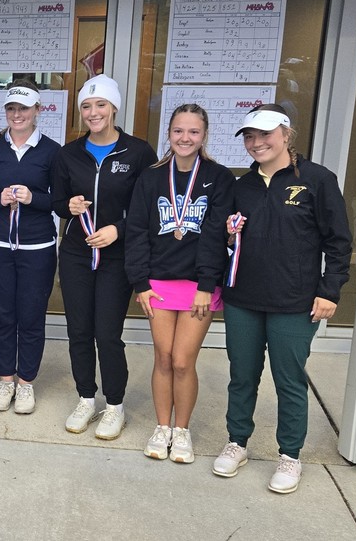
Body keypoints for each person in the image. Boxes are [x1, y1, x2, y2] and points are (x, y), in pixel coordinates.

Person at [212, 104, 351, 494]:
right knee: (242, 376)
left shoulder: (318, 180)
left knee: (289, 380)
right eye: (250, 137)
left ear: (286, 134)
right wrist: (228, 235)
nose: (256, 143)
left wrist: (329, 290)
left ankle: (290, 455)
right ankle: (237, 442)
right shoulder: (242, 186)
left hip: (295, 301)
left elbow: (338, 242)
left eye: (265, 135)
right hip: (244, 298)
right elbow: (231, 239)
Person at [124, 103, 234, 462]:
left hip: (198, 285)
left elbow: (216, 235)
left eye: (193, 132)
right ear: (168, 134)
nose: (185, 138)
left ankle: (182, 430)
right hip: (157, 282)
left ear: (204, 136)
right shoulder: (152, 177)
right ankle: (162, 427)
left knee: (184, 360)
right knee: (164, 357)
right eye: (178, 131)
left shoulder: (219, 178)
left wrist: (206, 284)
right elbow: (137, 231)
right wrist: (140, 282)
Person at [51, 73, 157, 439]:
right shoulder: (69, 153)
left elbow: (149, 207)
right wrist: (68, 204)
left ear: (114, 108)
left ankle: (115, 404)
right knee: (79, 330)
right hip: (77, 254)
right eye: (86, 106)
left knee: (107, 333)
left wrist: (118, 230)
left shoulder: (139, 152)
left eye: (100, 105)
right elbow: (56, 201)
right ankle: (86, 397)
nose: (93, 112)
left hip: (116, 257)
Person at [0, 81, 61, 415]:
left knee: (30, 315)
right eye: (12, 109)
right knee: (2, 313)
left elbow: (60, 201)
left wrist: (33, 198)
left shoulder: (53, 151)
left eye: (24, 109)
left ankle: (26, 382)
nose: (17, 115)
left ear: (37, 111)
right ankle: (5, 378)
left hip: (37, 245)